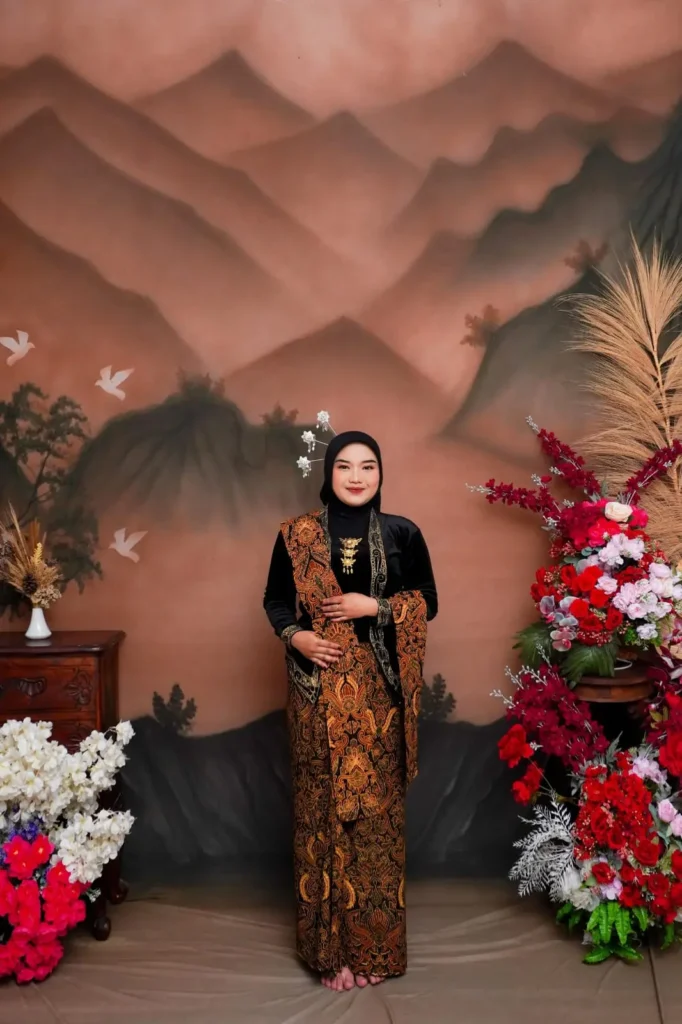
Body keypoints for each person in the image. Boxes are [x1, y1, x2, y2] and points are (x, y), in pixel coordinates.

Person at [263, 429, 438, 992]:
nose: (356, 476)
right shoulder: (296, 535)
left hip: (380, 700)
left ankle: (374, 949)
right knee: (321, 816)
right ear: (328, 473)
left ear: (380, 473)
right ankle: (330, 953)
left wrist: (375, 607)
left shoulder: (403, 532)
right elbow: (274, 600)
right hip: (316, 696)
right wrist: (296, 637)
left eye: (368, 466)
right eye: (344, 466)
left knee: (375, 824)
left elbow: (428, 602)